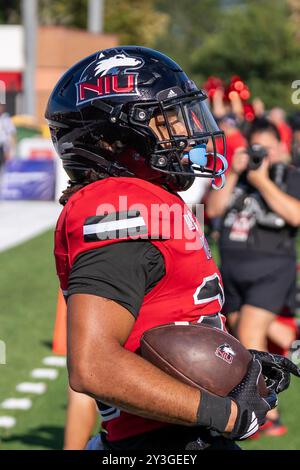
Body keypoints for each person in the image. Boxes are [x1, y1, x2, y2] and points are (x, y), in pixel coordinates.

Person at [46, 47, 299, 451]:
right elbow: (94, 365)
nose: (186, 135)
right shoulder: (119, 205)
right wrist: (227, 414)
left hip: (176, 434)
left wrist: (233, 364)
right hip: (162, 443)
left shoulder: (147, 199)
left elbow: (169, 316)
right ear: (115, 139)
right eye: (169, 123)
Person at [206, 117, 300, 435]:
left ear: (281, 148)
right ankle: (260, 406)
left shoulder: (289, 176)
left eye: (269, 149)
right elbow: (214, 210)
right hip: (233, 272)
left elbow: (296, 215)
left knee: (250, 336)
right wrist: (233, 173)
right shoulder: (235, 178)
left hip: (272, 270)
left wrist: (262, 182)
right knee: (241, 344)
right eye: (256, 149)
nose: (263, 156)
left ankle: (265, 414)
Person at [0, 104, 15, 172]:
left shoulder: (6, 119)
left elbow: (11, 134)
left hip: (3, 146)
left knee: (4, 165)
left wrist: (11, 149)